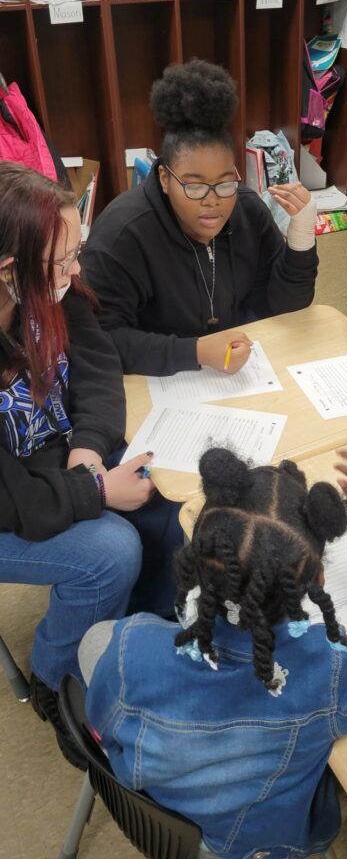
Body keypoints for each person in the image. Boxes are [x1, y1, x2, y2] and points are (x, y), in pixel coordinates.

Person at [81, 446, 347, 859]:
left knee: (96, 640)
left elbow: (107, 725)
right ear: (317, 578)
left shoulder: (130, 645)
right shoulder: (328, 672)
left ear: (196, 552)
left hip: (158, 818)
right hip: (261, 848)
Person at [0, 162, 177, 768]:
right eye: (63, 261)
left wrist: (90, 451)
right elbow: (13, 501)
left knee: (165, 488)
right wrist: (95, 491)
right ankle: (54, 679)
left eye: (78, 253)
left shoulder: (50, 286)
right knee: (111, 552)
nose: (75, 272)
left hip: (56, 468)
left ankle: (130, 641)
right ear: (7, 270)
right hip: (10, 504)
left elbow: (99, 367)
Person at [81, 60, 318, 377]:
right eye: (194, 186)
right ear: (165, 179)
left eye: (224, 182)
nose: (213, 201)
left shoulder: (247, 210)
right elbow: (101, 340)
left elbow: (285, 306)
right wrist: (195, 352)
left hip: (238, 372)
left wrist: (301, 240)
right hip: (155, 380)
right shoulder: (122, 235)